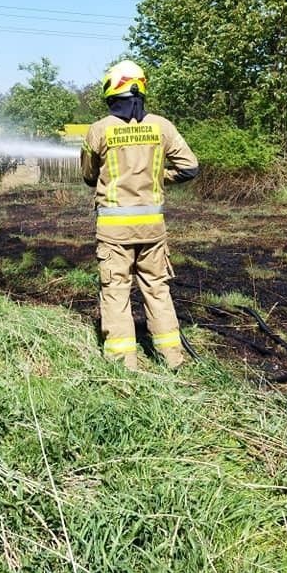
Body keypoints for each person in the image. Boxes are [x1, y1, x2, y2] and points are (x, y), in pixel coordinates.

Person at [81, 60, 198, 370]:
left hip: (114, 231)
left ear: (110, 90)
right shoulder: (162, 126)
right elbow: (190, 167)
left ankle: (123, 365)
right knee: (157, 289)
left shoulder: (100, 129)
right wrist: (159, 176)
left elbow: (89, 176)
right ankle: (172, 359)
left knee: (116, 291)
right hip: (152, 230)